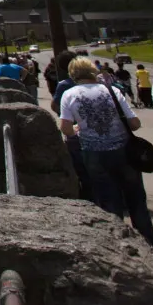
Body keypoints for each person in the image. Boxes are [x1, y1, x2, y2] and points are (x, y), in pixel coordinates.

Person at [60, 56, 153, 250]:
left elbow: (65, 128)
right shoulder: (112, 91)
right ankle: (151, 250)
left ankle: (120, 250)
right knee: (137, 202)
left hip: (94, 153)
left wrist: (78, 130)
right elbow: (135, 124)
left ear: (73, 74)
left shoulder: (69, 95)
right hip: (124, 152)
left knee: (108, 203)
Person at [51, 50, 93, 201]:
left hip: (78, 134)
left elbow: (55, 106)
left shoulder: (64, 85)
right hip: (105, 133)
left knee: (84, 172)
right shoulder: (99, 84)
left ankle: (91, 200)